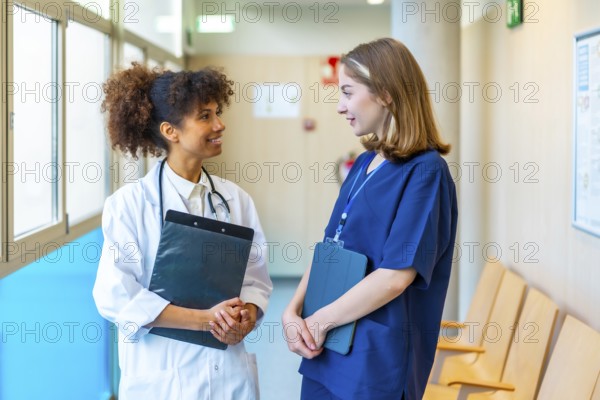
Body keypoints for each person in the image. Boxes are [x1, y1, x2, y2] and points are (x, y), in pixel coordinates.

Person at [282, 38, 458, 400]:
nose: (340, 106)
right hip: (326, 345)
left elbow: (396, 276)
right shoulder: (364, 164)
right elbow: (329, 248)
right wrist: (292, 311)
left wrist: (319, 321)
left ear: (387, 94)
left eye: (347, 92)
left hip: (375, 360)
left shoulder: (426, 173)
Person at [93, 63, 273, 400]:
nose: (220, 124)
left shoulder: (237, 200)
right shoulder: (129, 205)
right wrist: (205, 320)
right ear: (170, 131)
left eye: (217, 112)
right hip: (162, 379)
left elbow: (256, 280)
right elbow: (116, 296)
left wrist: (246, 317)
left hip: (228, 378)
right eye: (205, 116)